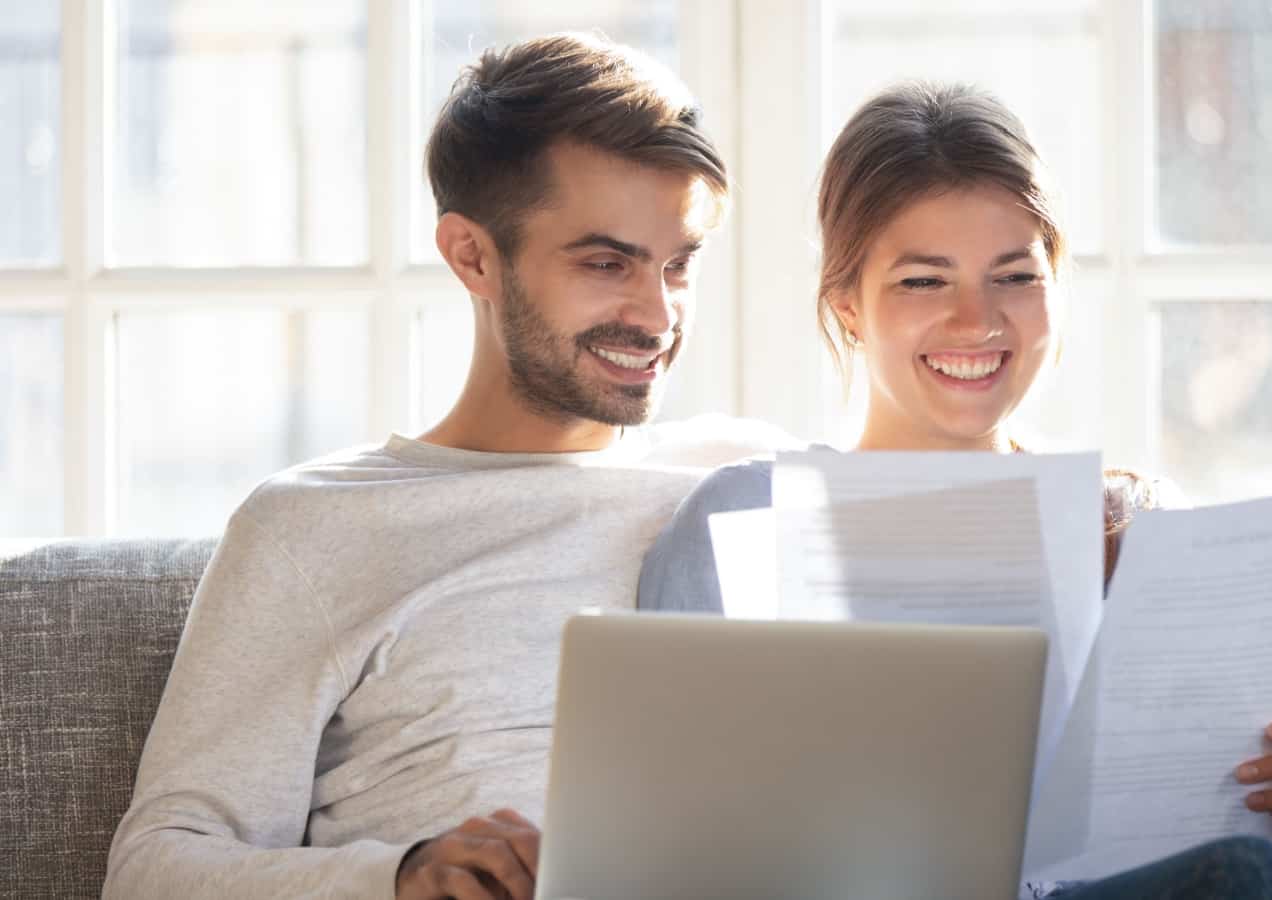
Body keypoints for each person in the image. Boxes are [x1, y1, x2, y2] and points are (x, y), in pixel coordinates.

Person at [638, 81, 1272, 898]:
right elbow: (658, 849)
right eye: (924, 281)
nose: (977, 322)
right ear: (847, 304)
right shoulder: (741, 519)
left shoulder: (1145, 527)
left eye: (1014, 277)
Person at [103, 34, 795, 900]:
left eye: (679, 264)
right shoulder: (316, 528)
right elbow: (156, 868)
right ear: (472, 256)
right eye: (606, 262)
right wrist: (403, 876)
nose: (658, 315)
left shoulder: (751, 483)